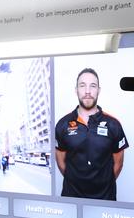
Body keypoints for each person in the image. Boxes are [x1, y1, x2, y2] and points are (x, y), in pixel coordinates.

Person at [55, 68, 128, 200]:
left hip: (104, 199)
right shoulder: (63, 124)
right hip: (72, 198)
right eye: (82, 85)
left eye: (92, 86)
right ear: (76, 90)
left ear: (98, 90)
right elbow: (60, 160)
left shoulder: (113, 124)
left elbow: (118, 163)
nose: (87, 91)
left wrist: (103, 184)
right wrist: (75, 181)